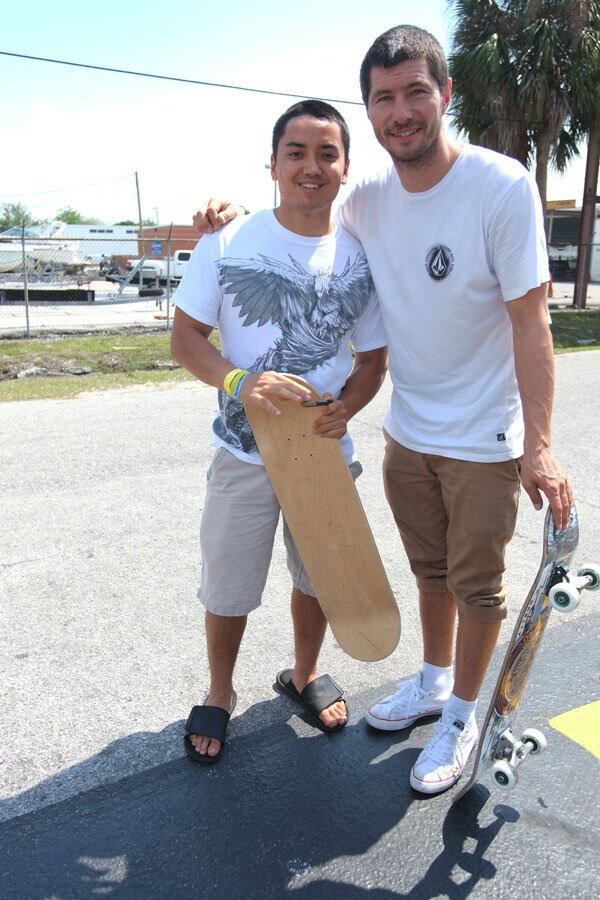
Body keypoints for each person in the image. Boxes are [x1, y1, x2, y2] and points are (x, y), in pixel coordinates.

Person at [192, 25, 572, 792]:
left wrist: (541, 444)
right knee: (429, 573)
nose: (400, 111)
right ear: (370, 111)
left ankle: (462, 719)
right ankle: (432, 683)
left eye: (415, 93)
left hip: (481, 436)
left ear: (445, 95)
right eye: (383, 98)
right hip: (407, 434)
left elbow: (533, 321)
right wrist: (226, 217)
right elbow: (295, 214)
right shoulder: (365, 200)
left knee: (477, 586)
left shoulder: (500, 186)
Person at [171, 99, 388, 764]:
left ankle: (302, 673)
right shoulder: (228, 241)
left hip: (322, 453)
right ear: (272, 164)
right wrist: (239, 382)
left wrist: (348, 406)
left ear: (345, 167)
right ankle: (219, 689)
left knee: (319, 575)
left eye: (327, 152)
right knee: (230, 581)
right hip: (244, 449)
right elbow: (185, 339)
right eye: (296, 152)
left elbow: (374, 358)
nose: (310, 165)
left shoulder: (362, 252)